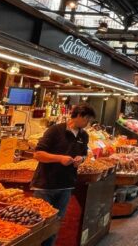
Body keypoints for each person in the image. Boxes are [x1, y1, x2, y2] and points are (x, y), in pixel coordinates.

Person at [31, 104, 95, 246]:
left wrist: (81, 159)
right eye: (87, 119)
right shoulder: (55, 130)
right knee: (38, 224)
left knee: (55, 225)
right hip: (46, 186)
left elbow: (84, 154)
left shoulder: (84, 135)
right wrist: (59, 158)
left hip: (66, 186)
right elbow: (38, 154)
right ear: (79, 116)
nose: (88, 123)